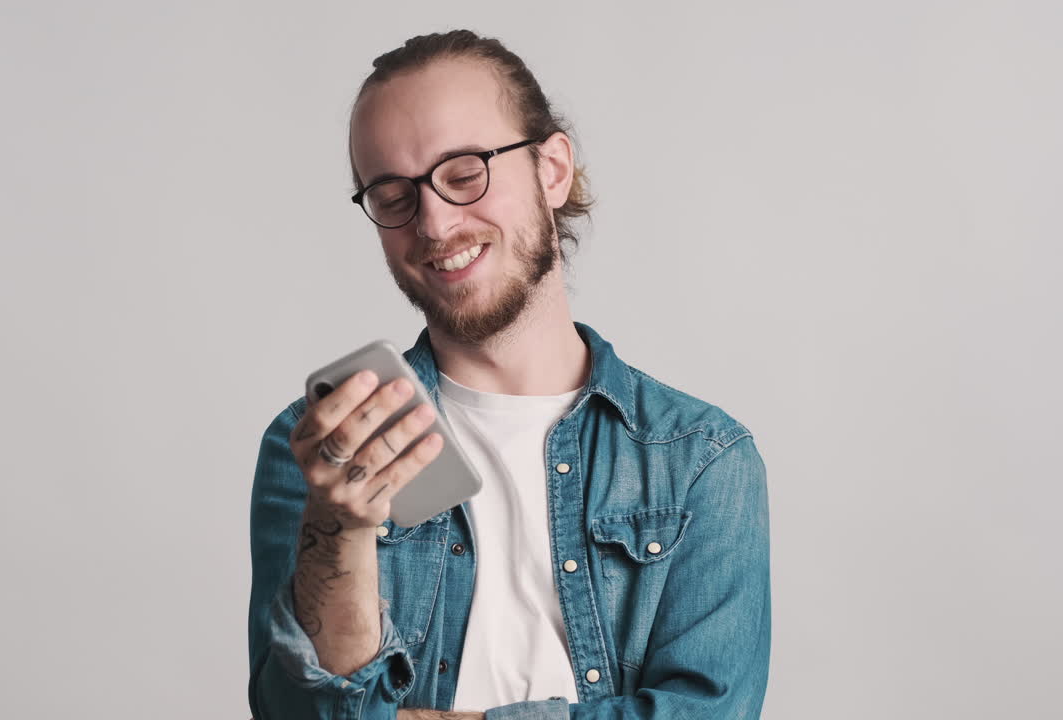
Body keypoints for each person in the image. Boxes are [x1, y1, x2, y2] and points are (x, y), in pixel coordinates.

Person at [247, 29, 770, 720]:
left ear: (553, 170)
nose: (434, 224)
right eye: (394, 195)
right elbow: (296, 713)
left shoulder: (699, 457)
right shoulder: (320, 445)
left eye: (464, 173)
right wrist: (338, 528)